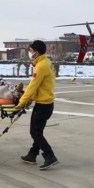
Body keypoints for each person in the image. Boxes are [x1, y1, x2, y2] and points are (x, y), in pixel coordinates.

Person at [16, 40, 58, 170]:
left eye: (31, 50)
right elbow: (42, 86)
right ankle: (32, 154)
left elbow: (32, 86)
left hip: (43, 105)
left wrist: (21, 102)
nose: (30, 53)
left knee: (35, 132)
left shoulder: (40, 66)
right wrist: (31, 98)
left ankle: (50, 155)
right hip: (47, 103)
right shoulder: (47, 63)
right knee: (38, 131)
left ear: (36, 52)